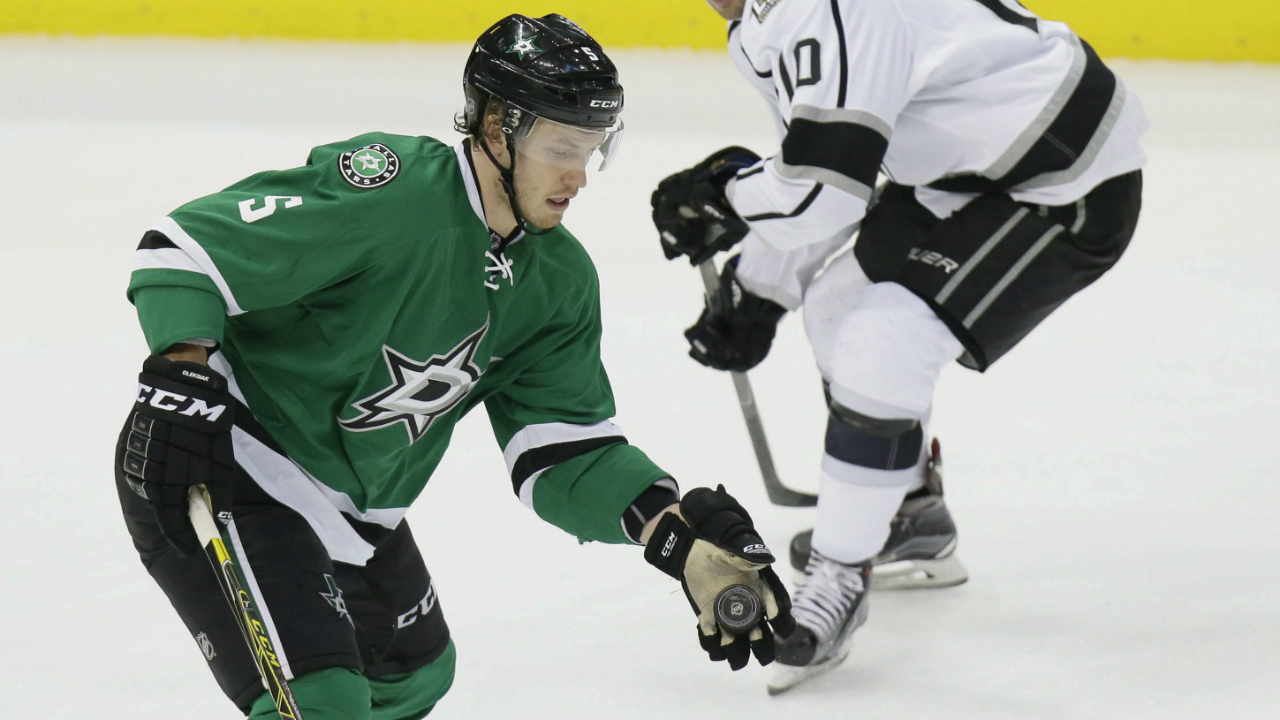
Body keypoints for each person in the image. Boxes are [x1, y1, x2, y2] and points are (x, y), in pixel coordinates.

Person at [116, 13, 794, 719]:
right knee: (325, 703)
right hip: (225, 459)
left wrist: (673, 532)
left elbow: (561, 454)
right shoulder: (394, 191)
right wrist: (184, 374)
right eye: (562, 146)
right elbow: (184, 250)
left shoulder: (558, 280)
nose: (578, 175)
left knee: (415, 676)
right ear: (499, 127)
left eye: (591, 150)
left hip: (355, 515)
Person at [651, 0, 1146, 693]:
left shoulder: (839, 9)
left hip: (1064, 179)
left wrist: (724, 198)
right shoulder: (763, 21)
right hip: (959, 170)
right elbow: (834, 167)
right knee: (836, 309)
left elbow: (819, 190)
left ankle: (840, 575)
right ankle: (910, 512)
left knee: (883, 340)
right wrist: (760, 287)